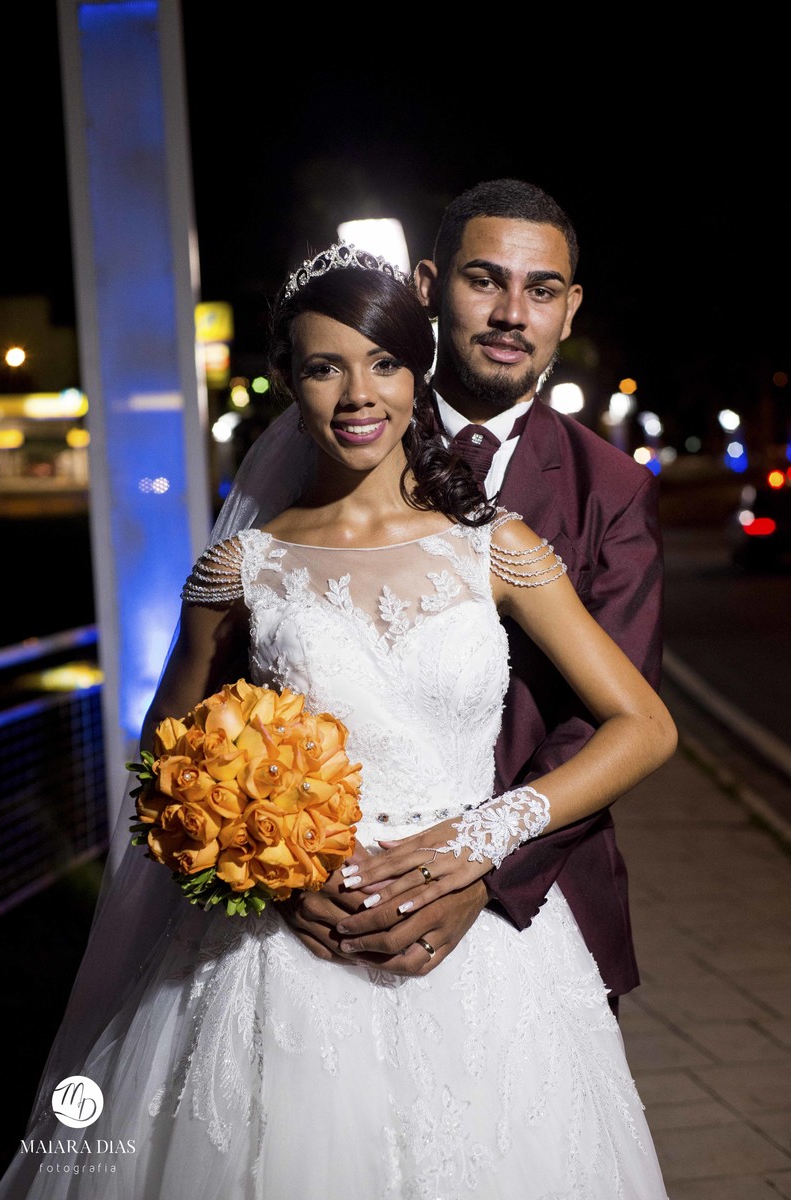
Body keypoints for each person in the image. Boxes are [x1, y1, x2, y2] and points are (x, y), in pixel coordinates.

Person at [0, 244, 675, 1199]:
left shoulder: (496, 548)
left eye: (384, 363)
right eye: (324, 366)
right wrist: (268, 877)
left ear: (416, 373)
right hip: (286, 951)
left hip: (481, 957)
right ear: (288, 382)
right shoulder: (240, 568)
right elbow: (166, 763)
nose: (359, 394)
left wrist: (485, 834)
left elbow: (642, 724)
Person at [271, 180, 664, 1011]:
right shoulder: (347, 432)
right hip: (325, 899)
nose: (511, 313)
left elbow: (608, 717)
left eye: (541, 290)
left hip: (535, 896)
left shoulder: (612, 489)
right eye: (484, 280)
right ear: (427, 288)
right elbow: (246, 683)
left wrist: (476, 873)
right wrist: (280, 865)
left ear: (569, 308)